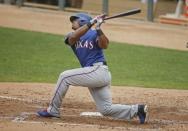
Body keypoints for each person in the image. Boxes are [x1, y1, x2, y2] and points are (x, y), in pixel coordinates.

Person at [37, 13, 148, 124]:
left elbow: (105, 45)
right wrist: (91, 23)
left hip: (99, 71)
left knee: (64, 76)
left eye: (74, 20)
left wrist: (98, 28)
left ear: (82, 21)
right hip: (93, 74)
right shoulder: (72, 35)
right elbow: (72, 38)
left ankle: (53, 110)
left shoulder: (95, 34)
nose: (72, 23)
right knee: (105, 109)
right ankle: (138, 110)